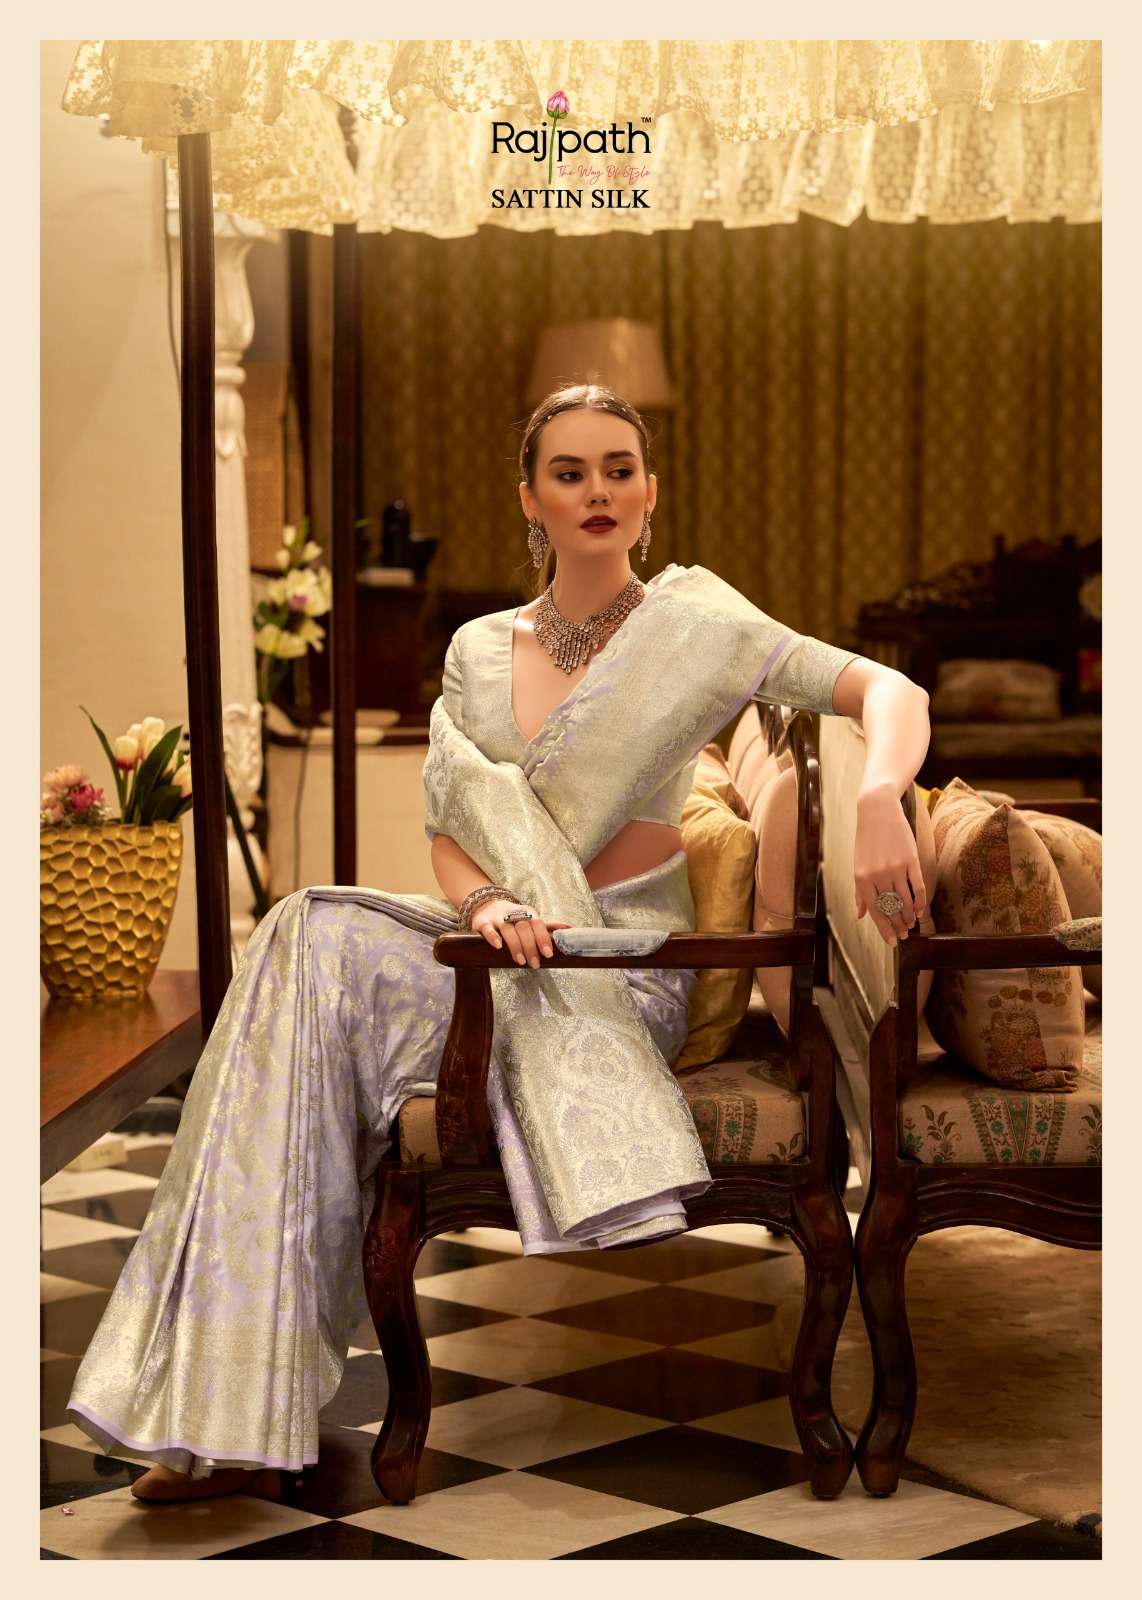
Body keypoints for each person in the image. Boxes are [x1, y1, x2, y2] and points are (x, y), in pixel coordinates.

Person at [65, 383, 931, 1503]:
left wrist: (878, 793)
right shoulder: (478, 650)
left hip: (617, 973)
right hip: (496, 951)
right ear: (531, 499)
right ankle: (227, 1400)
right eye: (569, 472)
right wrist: (481, 905)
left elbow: (888, 689)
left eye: (618, 469)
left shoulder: (703, 627)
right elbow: (453, 831)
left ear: (650, 492)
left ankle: (223, 1418)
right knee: (299, 942)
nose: (597, 490)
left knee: (303, 945)